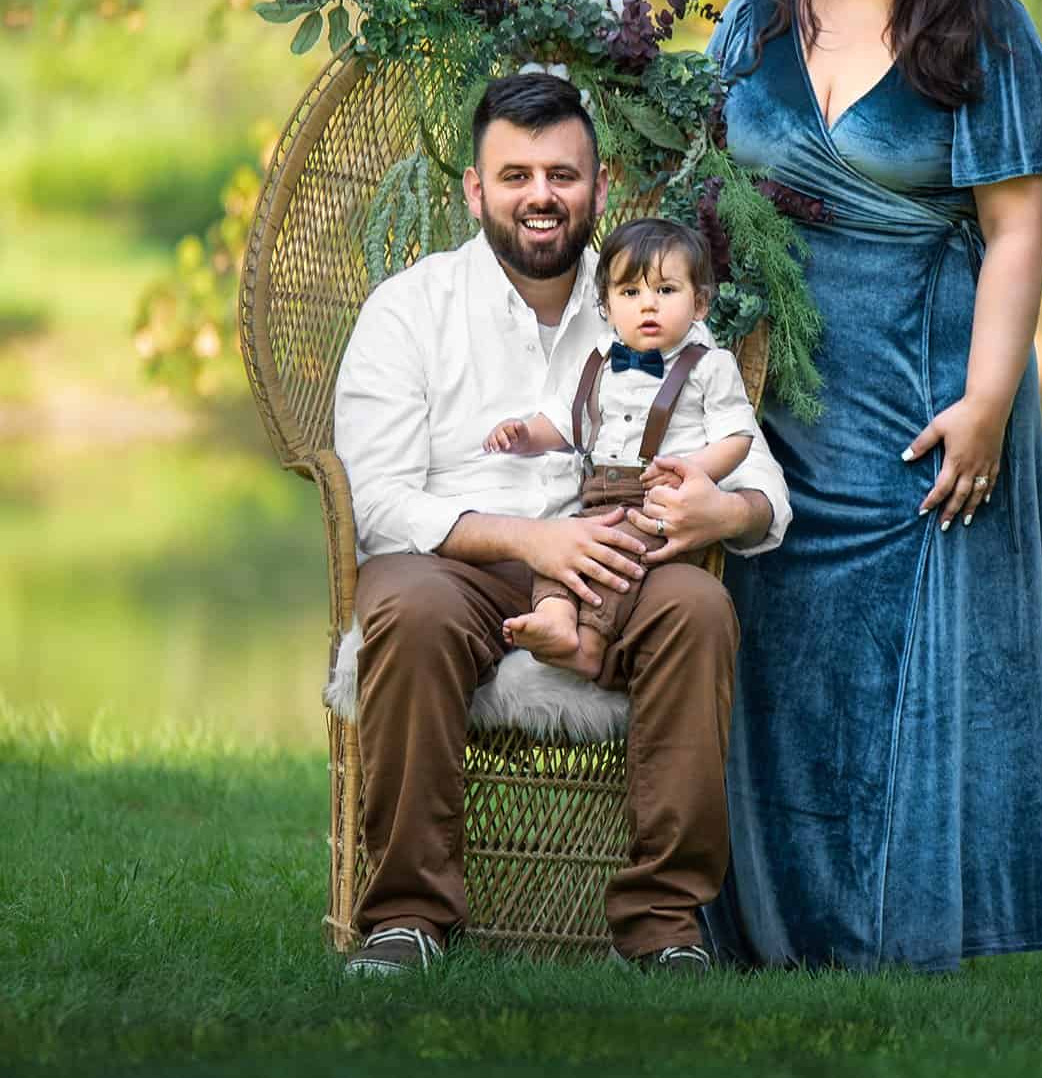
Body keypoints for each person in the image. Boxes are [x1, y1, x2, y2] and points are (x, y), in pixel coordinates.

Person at [691, 0, 1042, 971]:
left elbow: (1017, 233)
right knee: (775, 645)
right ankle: (762, 931)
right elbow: (696, 188)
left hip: (920, 385)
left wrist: (983, 404)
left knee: (911, 658)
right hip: (772, 389)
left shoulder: (982, 29)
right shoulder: (757, 20)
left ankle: (904, 930)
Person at [330, 71, 791, 977]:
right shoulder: (409, 310)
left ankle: (664, 925)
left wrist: (723, 507)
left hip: (622, 565)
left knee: (696, 609)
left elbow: (758, 478)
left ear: (600, 187)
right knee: (407, 610)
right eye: (515, 175)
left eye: (562, 174)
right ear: (475, 189)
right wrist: (531, 540)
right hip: (457, 562)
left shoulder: (653, 308)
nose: (540, 195)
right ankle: (406, 918)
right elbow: (378, 500)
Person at [483, 217, 759, 679]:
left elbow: (738, 437)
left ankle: (589, 645)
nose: (648, 305)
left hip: (659, 505)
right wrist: (526, 436)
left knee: (613, 558)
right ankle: (555, 617)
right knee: (560, 547)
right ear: (607, 306)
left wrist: (691, 469)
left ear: (700, 304)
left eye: (666, 291)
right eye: (630, 293)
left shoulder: (711, 366)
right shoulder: (600, 360)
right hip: (597, 499)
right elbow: (567, 423)